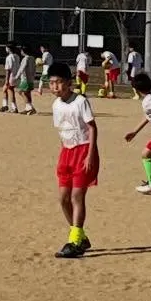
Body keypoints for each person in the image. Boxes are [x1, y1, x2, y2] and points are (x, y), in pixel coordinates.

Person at [50, 61, 99, 258]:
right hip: (67, 152)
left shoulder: (80, 101)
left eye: (59, 82)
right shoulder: (56, 104)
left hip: (83, 150)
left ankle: (75, 240)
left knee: (77, 196)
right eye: (52, 83)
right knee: (63, 199)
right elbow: (62, 131)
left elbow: (92, 128)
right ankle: (80, 235)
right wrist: (64, 153)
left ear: (69, 83)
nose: (55, 87)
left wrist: (90, 154)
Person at [16, 45, 37, 115]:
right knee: (28, 93)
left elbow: (22, 68)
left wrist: (16, 76)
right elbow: (34, 68)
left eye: (21, 50)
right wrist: (33, 76)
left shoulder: (25, 59)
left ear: (23, 51)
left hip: (25, 79)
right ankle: (28, 108)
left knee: (20, 92)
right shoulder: (32, 58)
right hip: (31, 79)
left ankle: (30, 107)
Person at [0, 44, 20, 113]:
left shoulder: (9, 57)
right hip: (16, 76)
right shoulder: (17, 56)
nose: (5, 49)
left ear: (9, 49)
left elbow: (8, 70)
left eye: (6, 47)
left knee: (10, 90)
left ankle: (13, 107)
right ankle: (5, 105)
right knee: (5, 89)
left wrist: (6, 80)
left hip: (11, 76)